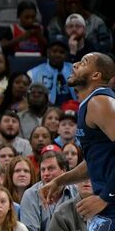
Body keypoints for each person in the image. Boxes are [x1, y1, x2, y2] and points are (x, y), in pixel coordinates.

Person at [40, 53, 115, 229]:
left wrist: (105, 198)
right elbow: (95, 162)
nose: (74, 64)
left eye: (83, 62)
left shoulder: (100, 102)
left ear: (96, 75)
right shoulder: (90, 104)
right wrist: (59, 181)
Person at [21, 151, 78, 231]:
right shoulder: (30, 195)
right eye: (43, 170)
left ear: (64, 171)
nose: (46, 174)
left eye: (51, 169)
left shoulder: (76, 192)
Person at [27, 36, 76, 107]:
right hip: (46, 110)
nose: (58, 55)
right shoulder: (33, 73)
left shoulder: (75, 69)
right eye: (54, 51)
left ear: (66, 55)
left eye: (61, 52)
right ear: (48, 52)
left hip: (73, 109)